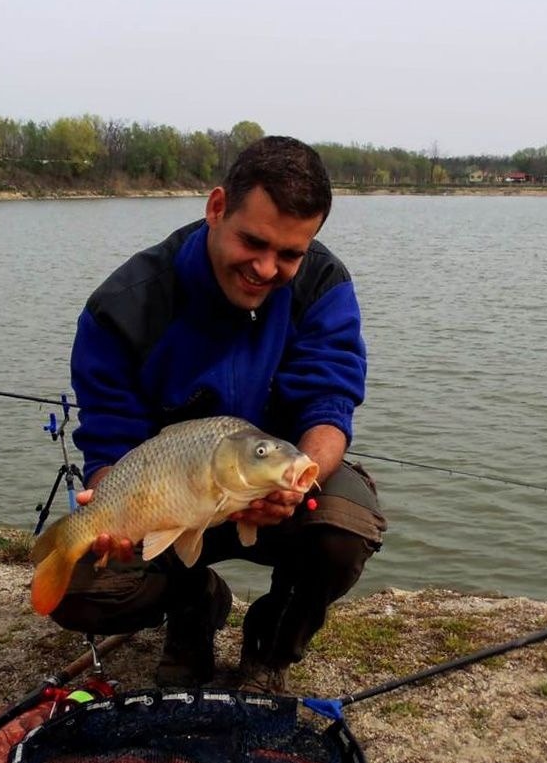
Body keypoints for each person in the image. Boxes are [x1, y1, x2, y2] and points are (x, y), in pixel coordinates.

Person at [51, 136, 387, 694]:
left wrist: (303, 475)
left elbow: (329, 406)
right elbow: (111, 439)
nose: (266, 267)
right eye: (253, 242)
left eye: (289, 254)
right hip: (170, 498)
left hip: (269, 483)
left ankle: (268, 650)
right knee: (76, 587)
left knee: (345, 531)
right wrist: (110, 508)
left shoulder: (322, 285)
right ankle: (195, 607)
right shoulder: (126, 306)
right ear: (215, 209)